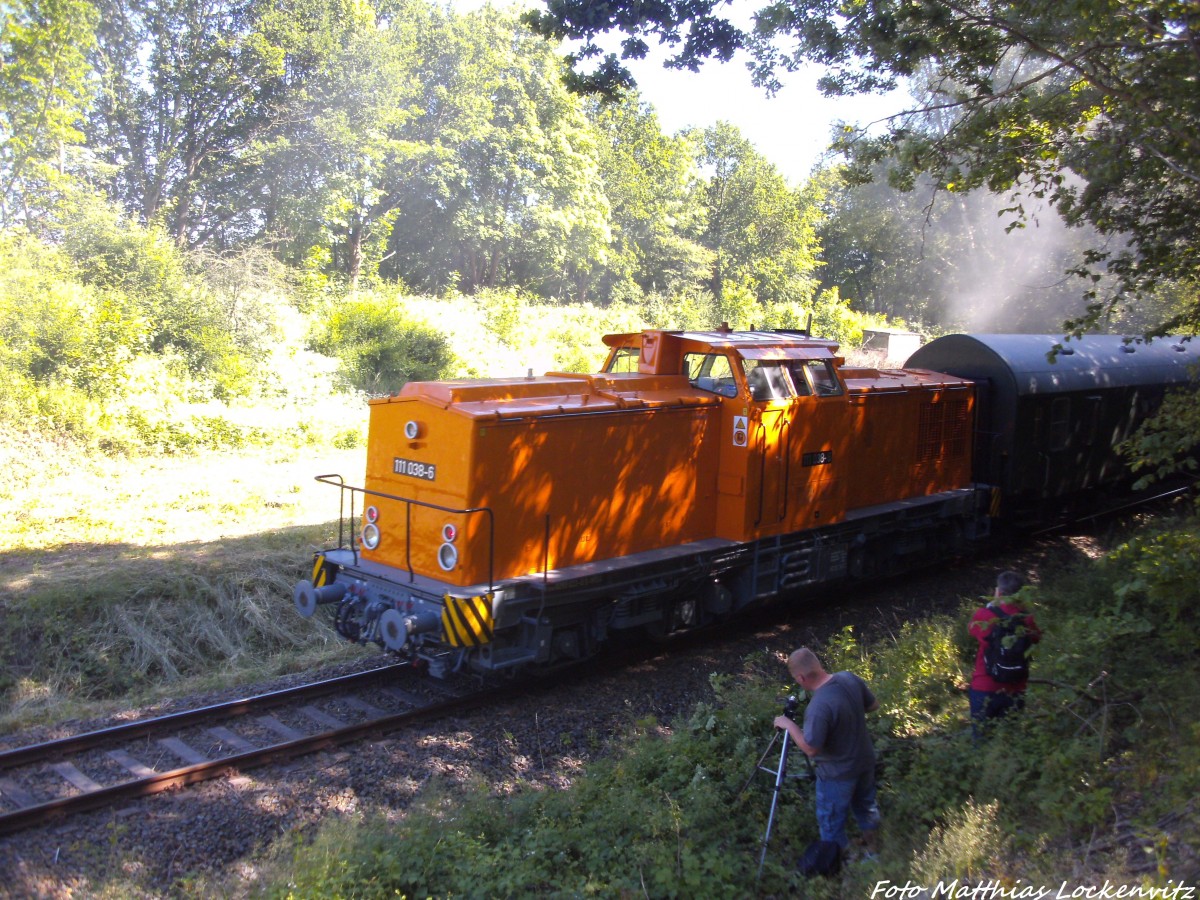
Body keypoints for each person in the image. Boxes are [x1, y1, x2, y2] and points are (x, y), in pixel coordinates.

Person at [773, 647, 880, 860]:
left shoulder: (819, 706)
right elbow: (873, 705)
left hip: (837, 773)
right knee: (866, 807)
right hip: (865, 760)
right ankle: (874, 850)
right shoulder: (848, 678)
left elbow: (811, 748)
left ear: (801, 677)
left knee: (831, 822)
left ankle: (840, 865)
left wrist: (788, 725)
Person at [968, 570, 1042, 738]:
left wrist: (992, 605)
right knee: (1010, 739)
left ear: (999, 592)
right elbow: (1037, 638)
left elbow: (972, 629)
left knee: (981, 742)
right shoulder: (1026, 620)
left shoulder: (985, 615)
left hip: (984, 687)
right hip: (1015, 689)